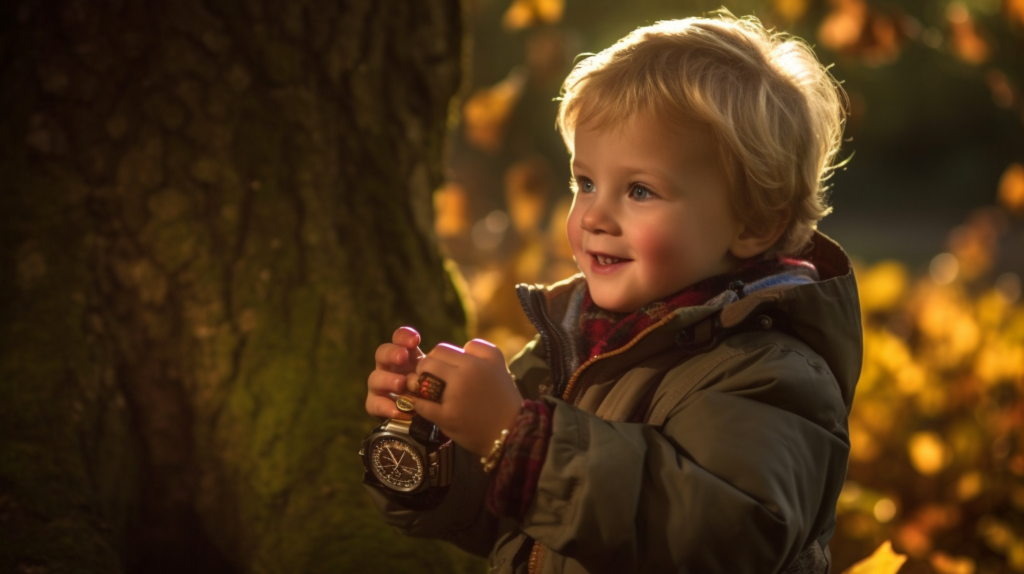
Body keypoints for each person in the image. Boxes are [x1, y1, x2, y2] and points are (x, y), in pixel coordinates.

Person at [363, 11, 861, 574]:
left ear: (753, 224)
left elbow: (724, 536)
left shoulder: (771, 367)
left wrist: (515, 438)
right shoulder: (582, 338)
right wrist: (430, 437)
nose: (595, 215)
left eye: (641, 190)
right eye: (586, 182)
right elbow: (511, 517)